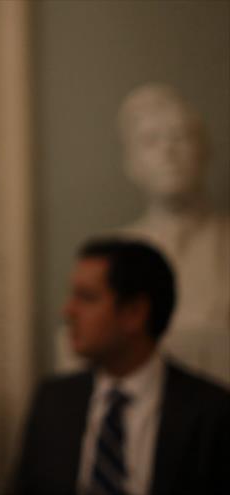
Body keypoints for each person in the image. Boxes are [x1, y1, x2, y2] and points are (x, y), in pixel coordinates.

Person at [15, 238, 230, 495]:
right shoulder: (53, 400)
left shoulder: (212, 412)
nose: (68, 310)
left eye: (87, 297)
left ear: (134, 313)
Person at [116, 83, 230, 383]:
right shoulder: (119, 255)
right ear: (132, 162)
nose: (168, 151)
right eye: (151, 141)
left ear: (204, 151)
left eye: (180, 137)